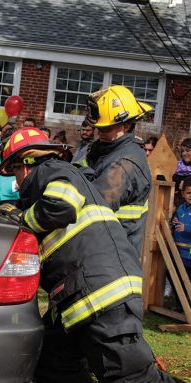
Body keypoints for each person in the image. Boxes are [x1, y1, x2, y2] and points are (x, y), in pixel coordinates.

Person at [0, 127, 190, 383]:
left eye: (14, 172)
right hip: (81, 296)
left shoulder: (50, 170)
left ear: (26, 164)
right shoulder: (60, 175)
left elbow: (61, 207)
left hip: (102, 296)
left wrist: (20, 218)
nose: (17, 182)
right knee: (53, 363)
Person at [78, 85, 153, 257]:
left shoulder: (126, 164)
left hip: (114, 257)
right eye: (97, 128)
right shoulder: (105, 150)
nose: (99, 133)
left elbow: (93, 203)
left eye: (105, 129)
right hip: (101, 246)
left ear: (125, 126)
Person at [172, 177, 191, 278]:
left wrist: (186, 227)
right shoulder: (180, 208)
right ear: (183, 194)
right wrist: (175, 222)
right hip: (179, 252)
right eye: (189, 193)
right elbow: (177, 222)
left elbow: (184, 226)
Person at [173, 138, 191, 207]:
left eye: (188, 151)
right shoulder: (176, 165)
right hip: (175, 202)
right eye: (183, 151)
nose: (184, 153)